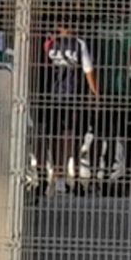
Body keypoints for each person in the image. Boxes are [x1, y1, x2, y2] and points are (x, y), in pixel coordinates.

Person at [38, 14, 101, 193]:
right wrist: (96, 94)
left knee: (55, 137)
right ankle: (73, 175)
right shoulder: (79, 44)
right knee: (72, 137)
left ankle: (57, 177)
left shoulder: (50, 44)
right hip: (73, 97)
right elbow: (88, 71)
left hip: (53, 97)